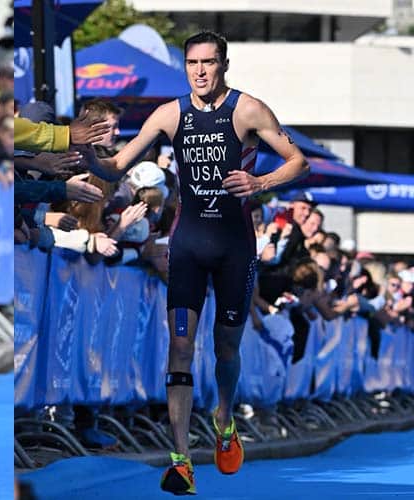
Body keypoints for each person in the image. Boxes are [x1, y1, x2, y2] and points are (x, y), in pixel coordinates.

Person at [91, 31, 309, 495]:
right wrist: (84, 149)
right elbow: (117, 165)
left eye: (209, 62)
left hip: (235, 247)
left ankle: (224, 418)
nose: (201, 71)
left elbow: (298, 162)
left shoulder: (248, 109)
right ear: (185, 66)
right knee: (181, 349)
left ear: (224, 64)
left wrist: (259, 181)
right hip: (187, 244)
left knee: (226, 347)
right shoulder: (170, 114)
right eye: (192, 63)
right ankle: (181, 460)